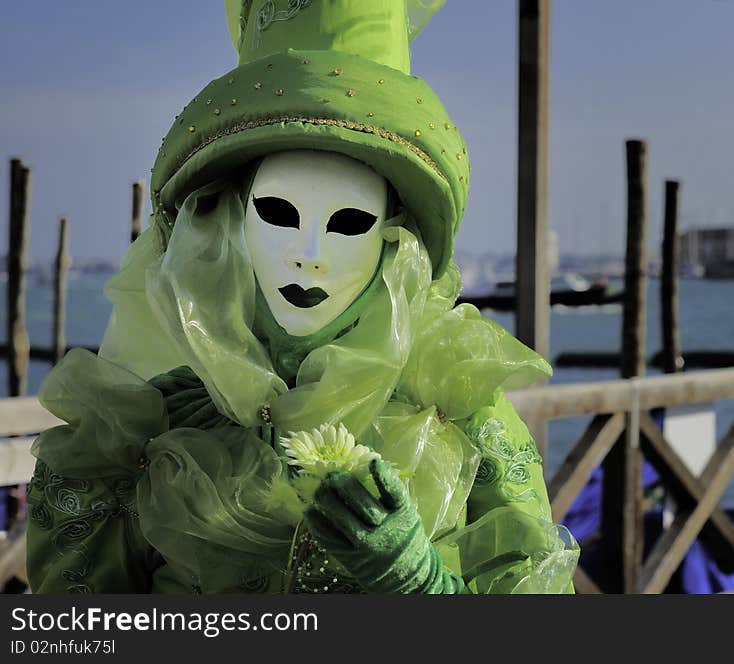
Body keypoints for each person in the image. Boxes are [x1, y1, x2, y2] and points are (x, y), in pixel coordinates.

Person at [25, 0, 578, 594]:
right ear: (228, 226)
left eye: (347, 223)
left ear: (395, 241)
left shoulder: (456, 409)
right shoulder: (143, 428)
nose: (309, 253)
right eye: (280, 215)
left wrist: (419, 584)